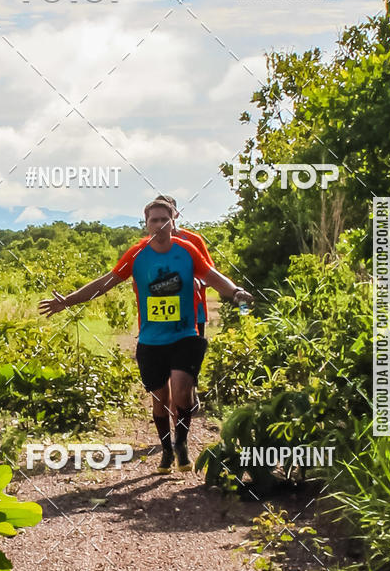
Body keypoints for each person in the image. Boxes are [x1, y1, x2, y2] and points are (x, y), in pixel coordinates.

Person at [39, 199, 253, 474]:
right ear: (146, 223)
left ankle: (182, 444)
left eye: (165, 219)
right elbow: (106, 282)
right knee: (160, 398)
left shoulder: (188, 250)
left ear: (174, 222)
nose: (160, 225)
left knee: (182, 390)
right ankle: (166, 450)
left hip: (185, 334)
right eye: (154, 220)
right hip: (151, 340)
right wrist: (68, 301)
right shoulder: (137, 255)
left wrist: (236, 293)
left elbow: (212, 276)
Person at [152, 194, 214, 337]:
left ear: (176, 214)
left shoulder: (193, 240)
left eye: (167, 213)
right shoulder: (147, 245)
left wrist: (197, 281)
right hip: (161, 310)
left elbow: (210, 273)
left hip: (193, 308)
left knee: (194, 353)